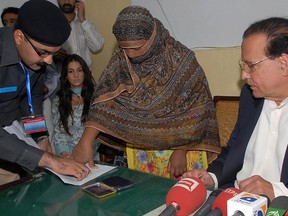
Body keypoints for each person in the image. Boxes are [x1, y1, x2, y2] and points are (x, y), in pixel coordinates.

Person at [72, 6, 221, 178]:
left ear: (152, 38)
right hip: (142, 151)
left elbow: (198, 108)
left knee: (183, 200)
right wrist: (86, 140)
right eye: (125, 48)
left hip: (182, 151)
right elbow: (105, 100)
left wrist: (181, 150)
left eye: (136, 48)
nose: (131, 55)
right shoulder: (122, 58)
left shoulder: (182, 60)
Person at [182, 17, 288, 201]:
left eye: (251, 66)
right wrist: (212, 177)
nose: (243, 75)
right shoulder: (250, 97)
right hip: (233, 199)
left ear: (283, 64)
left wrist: (278, 192)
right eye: (243, 65)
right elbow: (234, 150)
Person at [0, 0, 90, 181]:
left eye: (53, 54)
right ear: (19, 37)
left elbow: (31, 95)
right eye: (43, 52)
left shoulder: (33, 58)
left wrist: (40, 136)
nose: (49, 62)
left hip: (9, 137)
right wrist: (49, 160)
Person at [52, 54, 99, 159]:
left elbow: (100, 133)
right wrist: (65, 154)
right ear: (65, 75)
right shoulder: (59, 99)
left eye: (79, 70)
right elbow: (58, 133)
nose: (76, 75)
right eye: (71, 71)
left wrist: (82, 153)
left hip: (91, 153)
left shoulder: (96, 96)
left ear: (85, 72)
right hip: (67, 156)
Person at [57, 0, 104, 70]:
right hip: (61, 77)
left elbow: (97, 47)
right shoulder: (52, 24)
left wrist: (82, 19)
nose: (66, 1)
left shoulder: (85, 23)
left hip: (85, 76)